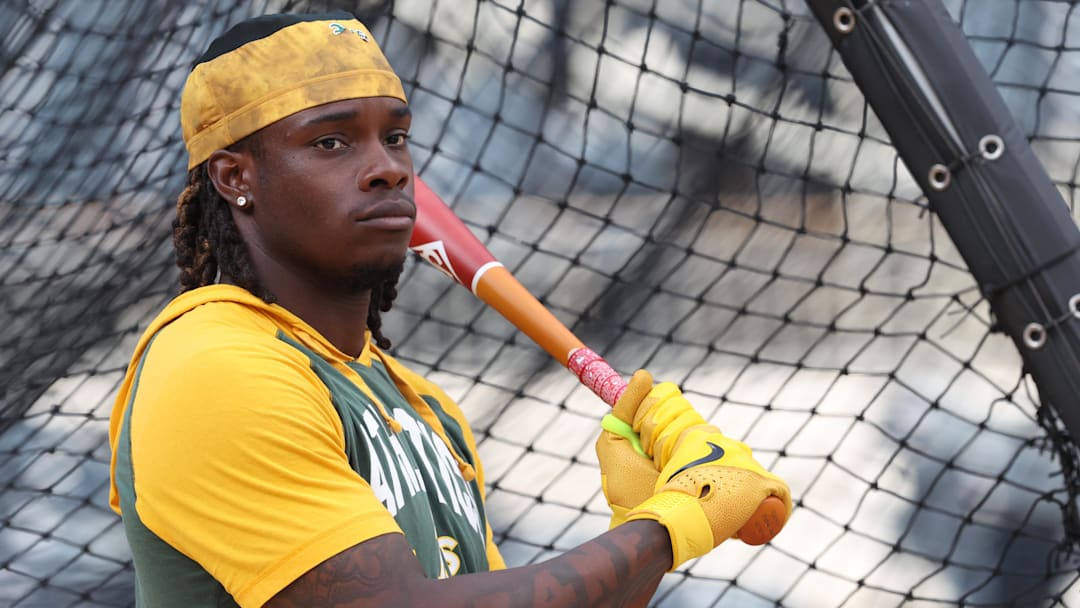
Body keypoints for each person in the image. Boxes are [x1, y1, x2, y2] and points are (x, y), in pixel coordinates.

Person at [107, 11, 792, 607]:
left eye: (395, 137)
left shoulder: (421, 405)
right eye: (331, 141)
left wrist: (637, 523)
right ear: (236, 178)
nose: (389, 169)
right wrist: (669, 528)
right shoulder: (213, 365)